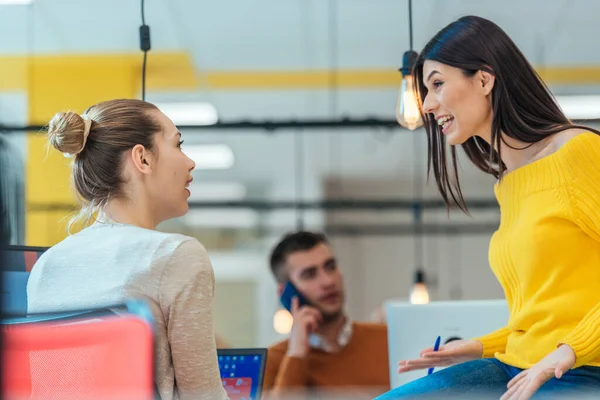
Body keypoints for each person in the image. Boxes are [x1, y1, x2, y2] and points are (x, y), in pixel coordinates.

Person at [376, 15, 600, 400]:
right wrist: (482, 344)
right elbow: (547, 313)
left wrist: (568, 351)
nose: (428, 105)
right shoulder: (509, 182)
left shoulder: (578, 154)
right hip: (519, 365)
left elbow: (564, 331)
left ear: (483, 79)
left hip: (578, 370)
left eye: (437, 84)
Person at [26, 99, 228, 400]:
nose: (189, 162)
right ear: (142, 159)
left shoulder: (45, 266)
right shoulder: (176, 255)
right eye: (178, 145)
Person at [263, 231, 390, 399]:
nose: (328, 281)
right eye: (310, 274)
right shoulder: (271, 361)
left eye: (330, 267)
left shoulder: (387, 339)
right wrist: (296, 354)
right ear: (286, 292)